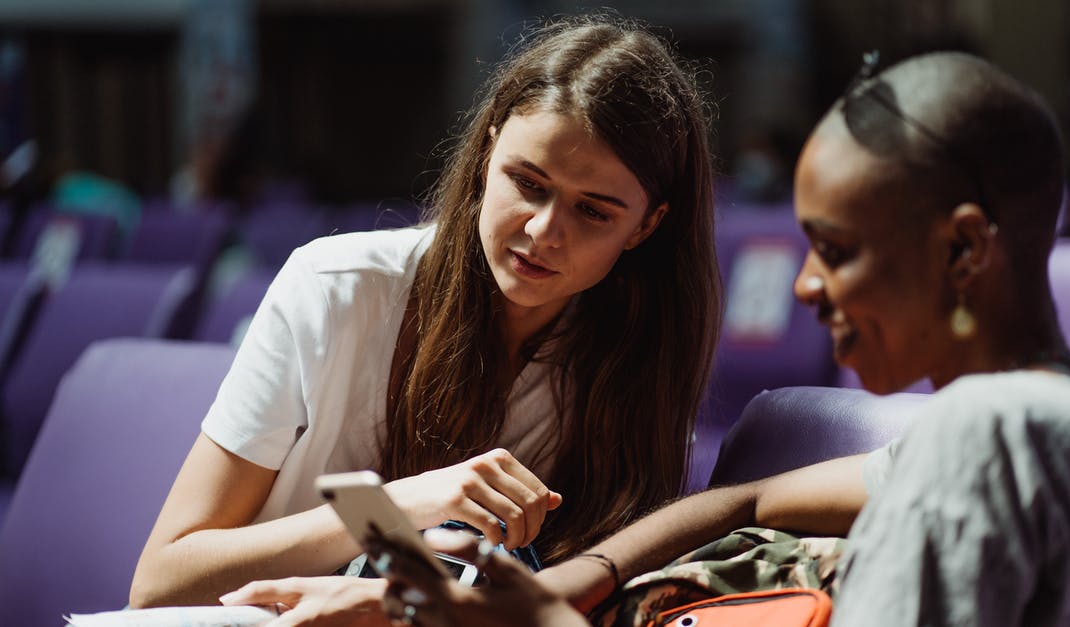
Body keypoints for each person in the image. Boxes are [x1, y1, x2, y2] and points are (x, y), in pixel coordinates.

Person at [363, 50, 1070, 626]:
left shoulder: (984, 439)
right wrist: (574, 583)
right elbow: (744, 499)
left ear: (961, 250)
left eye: (837, 250)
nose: (804, 287)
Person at [129, 14, 721, 615]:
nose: (544, 231)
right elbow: (161, 581)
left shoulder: (637, 352)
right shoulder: (334, 288)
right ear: (489, 146)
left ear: (646, 226)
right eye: (527, 181)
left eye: (593, 212)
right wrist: (405, 506)